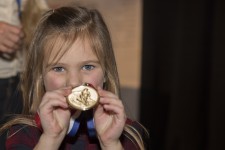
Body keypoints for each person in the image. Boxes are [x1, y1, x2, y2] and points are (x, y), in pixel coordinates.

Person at [0, 5, 149, 150]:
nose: (74, 81)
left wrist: (111, 144)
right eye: (58, 68)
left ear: (106, 73)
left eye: (88, 67)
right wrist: (50, 139)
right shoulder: (22, 133)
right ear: (40, 77)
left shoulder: (128, 135)